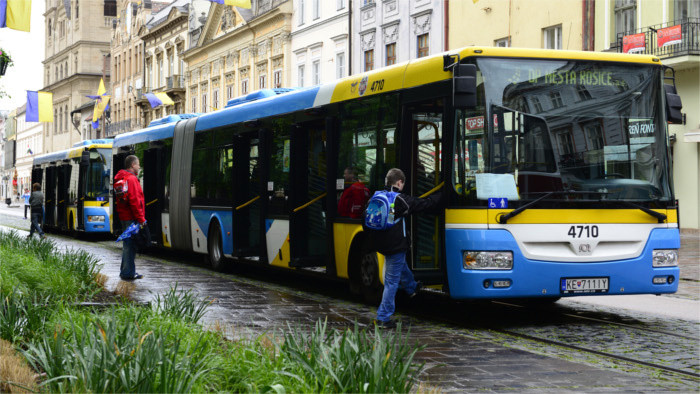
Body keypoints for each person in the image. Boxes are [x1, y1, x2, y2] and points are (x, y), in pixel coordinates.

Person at [369, 168, 441, 329]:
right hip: (396, 246)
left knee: (400, 265)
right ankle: (383, 317)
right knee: (391, 282)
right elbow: (423, 204)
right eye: (403, 184)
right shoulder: (399, 199)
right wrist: (442, 195)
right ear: (399, 182)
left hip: (381, 245)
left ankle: (411, 287)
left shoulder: (376, 196)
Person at [114, 155, 146, 280]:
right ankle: (127, 273)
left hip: (124, 216)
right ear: (133, 165)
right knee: (130, 245)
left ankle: (127, 271)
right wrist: (141, 219)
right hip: (131, 218)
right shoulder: (131, 179)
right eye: (138, 164)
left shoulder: (122, 177)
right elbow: (135, 201)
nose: (139, 167)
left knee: (128, 244)